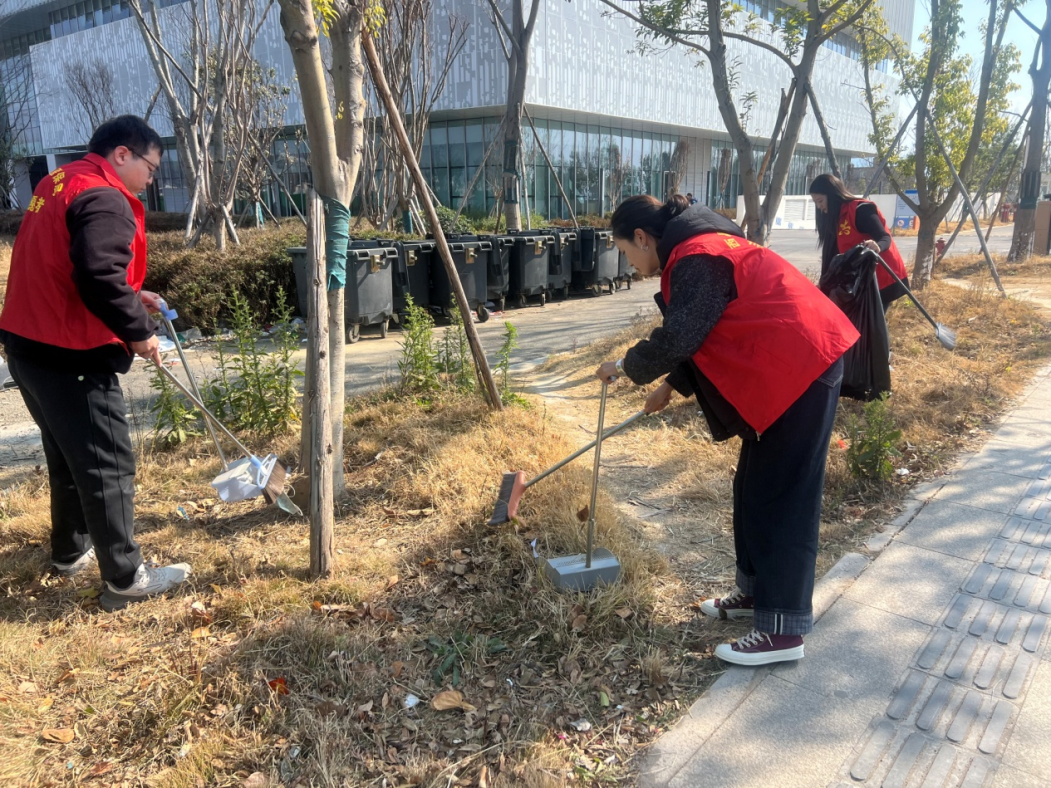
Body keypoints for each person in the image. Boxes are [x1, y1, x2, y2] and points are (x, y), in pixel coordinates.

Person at [595, 194, 859, 666]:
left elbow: (681, 335)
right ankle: (755, 595)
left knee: (784, 499)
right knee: (754, 488)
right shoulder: (699, 247)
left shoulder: (697, 255)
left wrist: (622, 365)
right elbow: (711, 327)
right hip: (783, 368)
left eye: (627, 253)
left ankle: (783, 630)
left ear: (641, 237)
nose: (632, 266)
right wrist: (673, 386)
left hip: (802, 364)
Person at [0, 116, 191, 612]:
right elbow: (99, 276)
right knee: (108, 462)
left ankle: (69, 550)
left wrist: (132, 294)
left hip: (27, 342)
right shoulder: (104, 197)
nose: (152, 179)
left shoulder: (58, 181)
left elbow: (73, 264)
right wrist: (141, 334)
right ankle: (126, 578)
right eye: (151, 167)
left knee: (67, 452)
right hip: (71, 351)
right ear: (122, 155)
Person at [809, 173, 909, 311]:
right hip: (858, 280)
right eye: (816, 203)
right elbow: (831, 255)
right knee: (856, 326)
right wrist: (824, 284)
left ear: (832, 195)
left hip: (881, 277)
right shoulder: (833, 218)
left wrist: (877, 246)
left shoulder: (860, 210)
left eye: (820, 201)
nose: (819, 207)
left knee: (871, 326)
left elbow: (885, 237)